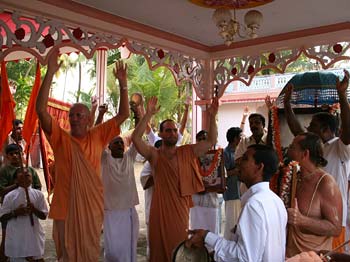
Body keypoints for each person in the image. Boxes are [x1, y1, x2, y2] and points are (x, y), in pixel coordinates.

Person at [35, 49, 129, 262]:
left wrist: (123, 83)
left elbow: (123, 114)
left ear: (89, 120)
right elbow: (41, 111)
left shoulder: (97, 135)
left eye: (79, 115)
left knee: (88, 253)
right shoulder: (60, 138)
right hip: (65, 208)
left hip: (90, 208)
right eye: (72, 115)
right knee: (67, 254)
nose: (74, 118)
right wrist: (50, 72)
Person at [132, 96, 218, 262]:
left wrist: (212, 116)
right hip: (159, 211)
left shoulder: (187, 152)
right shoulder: (154, 155)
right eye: (168, 130)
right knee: (157, 248)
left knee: (179, 247)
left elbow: (210, 141)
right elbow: (136, 139)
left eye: (174, 130)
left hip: (179, 211)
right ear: (161, 134)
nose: (172, 133)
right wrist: (148, 114)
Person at [283, 70, 350, 250]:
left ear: (327, 130)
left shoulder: (339, 147)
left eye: (312, 126)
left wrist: (342, 95)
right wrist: (287, 104)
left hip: (331, 219)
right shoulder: (313, 147)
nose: (307, 129)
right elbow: (298, 133)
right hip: (306, 218)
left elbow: (348, 130)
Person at [186, 144, 287, 262]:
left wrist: (206, 236)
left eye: (245, 159)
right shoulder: (276, 201)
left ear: (259, 167)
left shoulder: (254, 205)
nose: (238, 162)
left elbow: (245, 257)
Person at [286, 132, 342, 257]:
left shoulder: (326, 183)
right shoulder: (292, 177)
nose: (287, 151)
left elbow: (335, 228)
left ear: (305, 154)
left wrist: (302, 220)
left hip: (312, 257)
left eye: (292, 148)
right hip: (287, 256)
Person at [0, 143, 42, 261]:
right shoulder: (4, 171)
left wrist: (32, 200)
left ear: (22, 154)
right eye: (11, 154)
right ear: (7, 156)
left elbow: (37, 187)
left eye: (17, 153)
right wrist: (18, 184)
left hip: (30, 212)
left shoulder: (30, 171)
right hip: (10, 209)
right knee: (7, 240)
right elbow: (1, 191)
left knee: (31, 242)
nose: (14, 156)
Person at [101, 136, 139, 262]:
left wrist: (139, 117)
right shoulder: (104, 159)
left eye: (121, 142)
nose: (119, 144)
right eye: (115, 142)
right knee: (112, 251)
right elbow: (96, 140)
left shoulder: (129, 157)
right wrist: (99, 115)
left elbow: (137, 139)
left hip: (128, 212)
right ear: (109, 147)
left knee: (128, 248)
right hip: (110, 214)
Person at [190, 130, 219, 237]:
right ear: (196, 141)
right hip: (196, 204)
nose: (202, 142)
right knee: (195, 235)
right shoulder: (190, 159)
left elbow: (221, 185)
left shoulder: (218, 159)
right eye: (200, 139)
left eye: (205, 139)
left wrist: (213, 187)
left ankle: (210, 254)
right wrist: (197, 187)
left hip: (211, 203)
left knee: (211, 236)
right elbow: (186, 180)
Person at [223, 127, 242, 240]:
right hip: (231, 192)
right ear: (235, 139)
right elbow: (224, 173)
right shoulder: (226, 153)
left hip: (240, 192)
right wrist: (238, 169)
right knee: (231, 222)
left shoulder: (239, 151)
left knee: (238, 221)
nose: (242, 139)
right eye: (240, 137)